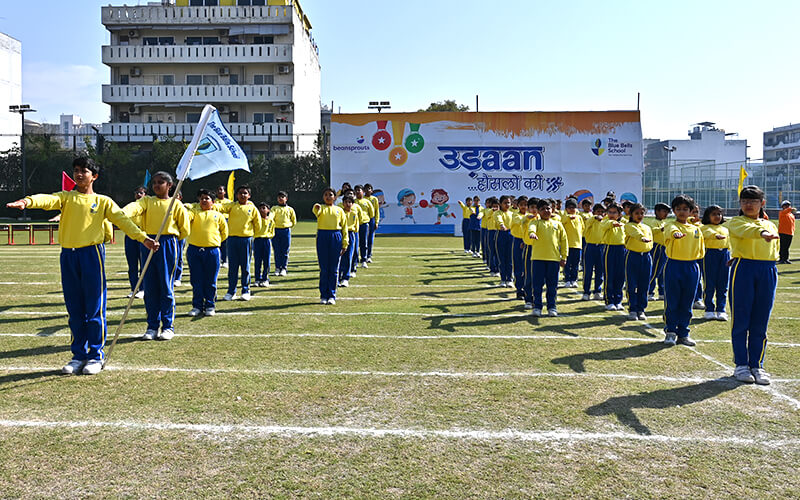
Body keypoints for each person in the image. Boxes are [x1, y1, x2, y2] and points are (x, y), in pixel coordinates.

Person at [6, 157, 158, 375]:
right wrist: (27, 201)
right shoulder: (66, 198)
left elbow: (123, 221)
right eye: (76, 170)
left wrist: (144, 238)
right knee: (74, 308)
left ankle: (95, 356)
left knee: (94, 306)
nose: (79, 174)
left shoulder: (103, 201)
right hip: (68, 255)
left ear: (94, 176)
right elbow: (47, 199)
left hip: (91, 254)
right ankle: (78, 355)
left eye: (84, 171)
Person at [124, 171, 189, 341]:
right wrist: (119, 214)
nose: (156, 185)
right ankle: (152, 326)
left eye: (161, 182)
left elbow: (185, 229)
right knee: (150, 287)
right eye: (154, 182)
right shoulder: (146, 201)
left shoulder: (176, 204)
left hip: (168, 244)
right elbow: (133, 209)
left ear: (170, 185)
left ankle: (168, 326)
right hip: (148, 243)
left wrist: (171, 240)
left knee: (166, 286)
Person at [727, 186, 779, 384]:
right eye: (745, 201)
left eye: (753, 201)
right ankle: (741, 364)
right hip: (744, 269)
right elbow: (748, 231)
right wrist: (762, 233)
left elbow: (771, 248)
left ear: (762, 203)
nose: (748, 205)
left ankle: (757, 364)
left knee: (761, 319)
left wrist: (765, 232)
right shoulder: (736, 221)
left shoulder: (770, 224)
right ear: (739, 204)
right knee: (741, 317)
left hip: (767, 270)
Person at [662, 194, 704, 347]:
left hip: (692, 266)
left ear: (691, 211)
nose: (682, 212)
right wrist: (676, 235)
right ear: (673, 210)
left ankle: (684, 333)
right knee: (673, 300)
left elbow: (701, 250)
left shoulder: (696, 229)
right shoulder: (670, 225)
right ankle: (671, 332)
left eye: (685, 209)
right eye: (678, 209)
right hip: (674, 265)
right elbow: (670, 232)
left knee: (687, 301)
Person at [185, 189, 228, 317]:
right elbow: (186, 218)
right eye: (202, 198)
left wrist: (213, 242)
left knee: (210, 280)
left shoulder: (218, 215)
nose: (204, 200)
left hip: (212, 251)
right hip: (194, 250)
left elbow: (224, 233)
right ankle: (197, 306)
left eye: (207, 198)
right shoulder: (193, 212)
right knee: (196, 280)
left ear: (213, 202)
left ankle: (210, 305)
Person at [216, 185, 263, 301]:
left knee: (245, 266)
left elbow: (258, 224)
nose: (242, 195)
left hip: (246, 240)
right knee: (233, 267)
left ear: (249, 195)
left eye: (245, 193)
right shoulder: (232, 206)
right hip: (232, 239)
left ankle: (246, 290)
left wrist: (252, 236)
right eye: (240, 193)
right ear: (237, 195)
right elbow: (220, 207)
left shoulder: (252, 209)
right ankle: (231, 291)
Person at [527, 198, 568, 317]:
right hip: (538, 259)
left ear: (552, 209)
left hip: (554, 260)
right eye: (543, 209)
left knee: (552, 286)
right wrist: (532, 233)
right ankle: (537, 307)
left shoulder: (558, 224)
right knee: (537, 285)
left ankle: (552, 307)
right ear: (538, 212)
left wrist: (564, 257)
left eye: (548, 208)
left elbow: (564, 241)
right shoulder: (535, 222)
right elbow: (531, 229)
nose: (546, 211)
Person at [312, 187, 349, 305]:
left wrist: (345, 243)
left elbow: (344, 228)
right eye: (326, 195)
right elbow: (316, 211)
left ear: (335, 197)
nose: (328, 197)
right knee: (324, 268)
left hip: (336, 236)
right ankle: (323, 295)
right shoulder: (321, 208)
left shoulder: (339, 210)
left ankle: (332, 295)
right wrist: (316, 207)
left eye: (331, 195)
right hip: (323, 236)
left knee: (333, 269)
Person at [699, 205, 730, 321]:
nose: (717, 216)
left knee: (723, 284)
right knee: (710, 283)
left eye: (719, 214)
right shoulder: (704, 228)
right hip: (710, 255)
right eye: (714, 214)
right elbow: (707, 233)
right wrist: (715, 236)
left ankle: (721, 309)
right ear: (708, 216)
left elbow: (728, 243)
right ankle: (709, 309)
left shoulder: (725, 229)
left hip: (724, 255)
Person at [624, 203, 653, 320]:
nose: (640, 215)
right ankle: (632, 308)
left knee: (644, 284)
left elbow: (650, 242)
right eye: (637, 213)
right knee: (632, 284)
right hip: (633, 256)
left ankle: (641, 309)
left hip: (646, 257)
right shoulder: (629, 225)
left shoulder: (647, 227)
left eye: (642, 213)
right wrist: (642, 238)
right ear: (631, 214)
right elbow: (635, 233)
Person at [601, 203, 626, 311]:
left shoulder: (624, 223)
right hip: (609, 249)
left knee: (620, 276)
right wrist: (613, 223)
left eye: (614, 212)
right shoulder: (605, 221)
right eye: (610, 212)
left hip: (622, 250)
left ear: (620, 214)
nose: (611, 214)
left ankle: (618, 300)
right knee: (609, 275)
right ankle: (609, 300)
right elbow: (605, 225)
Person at [123, 186, 147, 299]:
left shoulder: (147, 206)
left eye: (141, 193)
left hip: (143, 236)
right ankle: (134, 288)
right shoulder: (131, 206)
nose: (138, 195)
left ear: (145, 195)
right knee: (132, 265)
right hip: (130, 236)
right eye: (137, 192)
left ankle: (142, 288)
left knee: (143, 264)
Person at [646, 203, 671, 300]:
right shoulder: (654, 222)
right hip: (657, 247)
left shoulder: (664, 223)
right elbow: (652, 231)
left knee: (662, 271)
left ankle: (662, 292)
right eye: (664, 211)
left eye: (667, 212)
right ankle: (649, 291)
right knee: (654, 270)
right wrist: (661, 229)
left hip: (664, 248)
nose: (666, 214)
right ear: (657, 212)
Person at [582, 203, 606, 301]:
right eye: (598, 211)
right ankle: (586, 292)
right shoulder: (590, 220)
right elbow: (588, 222)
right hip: (590, 247)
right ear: (594, 212)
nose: (600, 214)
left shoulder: (605, 222)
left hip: (601, 247)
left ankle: (597, 291)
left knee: (600, 271)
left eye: (602, 212)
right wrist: (595, 217)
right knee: (588, 271)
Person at [272, 191, 296, 276]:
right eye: (279, 197)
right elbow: (271, 217)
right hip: (276, 230)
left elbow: (294, 221)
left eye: (282, 197)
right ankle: (277, 267)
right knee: (277, 250)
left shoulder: (290, 209)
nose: (280, 199)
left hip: (286, 231)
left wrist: (288, 226)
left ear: (286, 199)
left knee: (285, 250)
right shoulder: (274, 208)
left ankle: (284, 268)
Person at [561, 198, 584, 288]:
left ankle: (574, 280)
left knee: (575, 264)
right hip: (567, 245)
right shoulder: (564, 217)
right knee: (567, 264)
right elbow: (562, 222)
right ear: (566, 209)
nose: (572, 209)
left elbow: (582, 228)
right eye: (569, 207)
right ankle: (567, 279)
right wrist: (568, 217)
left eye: (573, 207)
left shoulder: (579, 218)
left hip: (577, 245)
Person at [510, 196, 528, 299]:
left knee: (528, 266)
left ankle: (527, 289)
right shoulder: (515, 215)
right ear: (518, 205)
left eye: (526, 205)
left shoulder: (531, 215)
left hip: (529, 242)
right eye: (521, 205)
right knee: (518, 265)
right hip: (518, 241)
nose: (524, 207)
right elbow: (520, 221)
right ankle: (519, 289)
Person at [339, 193, 359, 287]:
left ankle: (345, 278)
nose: (348, 204)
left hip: (351, 234)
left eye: (350, 202)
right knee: (339, 256)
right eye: (346, 202)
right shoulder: (340, 213)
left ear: (352, 204)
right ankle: (338, 277)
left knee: (348, 256)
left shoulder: (354, 214)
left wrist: (353, 233)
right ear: (343, 203)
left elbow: (356, 226)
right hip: (341, 233)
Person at [494, 195, 514, 287]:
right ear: (500, 204)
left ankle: (509, 279)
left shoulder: (512, 213)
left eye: (508, 203)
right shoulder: (498, 213)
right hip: (501, 234)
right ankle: (503, 279)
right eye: (505, 203)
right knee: (501, 258)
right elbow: (499, 220)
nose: (507, 205)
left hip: (511, 235)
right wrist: (502, 225)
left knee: (509, 258)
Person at [253, 202, 275, 288]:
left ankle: (265, 279)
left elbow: (272, 232)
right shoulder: (256, 220)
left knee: (266, 261)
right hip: (257, 240)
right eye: (260, 208)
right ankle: (257, 279)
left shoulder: (270, 220)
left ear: (268, 210)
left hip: (266, 241)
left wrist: (268, 236)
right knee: (257, 261)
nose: (262, 210)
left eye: (264, 208)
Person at [354, 185, 374, 268]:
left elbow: (371, 214)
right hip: (354, 225)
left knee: (364, 242)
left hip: (364, 224)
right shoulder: (352, 202)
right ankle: (355, 261)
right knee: (355, 243)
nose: (358, 192)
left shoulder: (367, 202)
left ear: (363, 191)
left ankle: (364, 260)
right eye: (356, 190)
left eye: (359, 190)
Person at [215, 185, 230, 268]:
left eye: (222, 190)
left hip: (226, 221)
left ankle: (224, 260)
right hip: (216, 221)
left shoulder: (228, 202)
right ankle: (218, 259)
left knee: (225, 242)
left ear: (225, 192)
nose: (220, 191)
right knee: (217, 241)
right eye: (218, 190)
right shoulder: (214, 201)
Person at [364, 183, 380, 262]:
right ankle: (363, 255)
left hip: (371, 219)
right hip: (363, 219)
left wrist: (376, 222)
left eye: (369, 188)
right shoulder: (362, 199)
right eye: (366, 188)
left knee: (370, 238)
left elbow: (377, 211)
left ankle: (369, 255)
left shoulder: (374, 199)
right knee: (363, 239)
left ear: (372, 190)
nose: (368, 190)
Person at [778, 200, 795, 264]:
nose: (788, 206)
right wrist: (790, 209)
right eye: (786, 205)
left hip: (790, 232)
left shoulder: (791, 215)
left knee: (787, 247)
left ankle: (786, 258)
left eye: (788, 205)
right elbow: (786, 211)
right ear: (783, 206)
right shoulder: (782, 213)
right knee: (783, 246)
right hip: (783, 232)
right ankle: (782, 258)